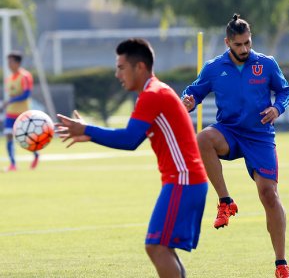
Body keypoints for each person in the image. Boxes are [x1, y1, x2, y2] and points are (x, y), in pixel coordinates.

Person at [56, 38, 208, 278]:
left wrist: (86, 129)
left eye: (121, 67)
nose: (117, 74)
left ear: (140, 67)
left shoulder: (153, 94)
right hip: (183, 180)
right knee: (161, 247)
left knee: (156, 246)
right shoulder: (155, 91)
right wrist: (90, 133)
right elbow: (133, 139)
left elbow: (128, 139)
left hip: (184, 179)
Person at [181, 14, 289, 278]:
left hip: (259, 136)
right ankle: (225, 201)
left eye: (247, 43)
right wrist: (186, 102)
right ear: (227, 42)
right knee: (202, 139)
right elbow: (193, 93)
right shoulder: (213, 67)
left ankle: (281, 264)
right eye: (239, 45)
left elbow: (285, 91)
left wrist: (277, 108)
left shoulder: (266, 64)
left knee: (269, 196)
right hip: (229, 131)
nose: (244, 49)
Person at [1, 51, 39, 171]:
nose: (8, 64)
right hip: (10, 113)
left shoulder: (25, 76)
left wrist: (11, 101)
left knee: (25, 139)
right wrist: (5, 104)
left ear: (17, 63)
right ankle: (13, 164)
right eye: (8, 61)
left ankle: (36, 154)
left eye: (11, 61)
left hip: (23, 113)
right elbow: (10, 96)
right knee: (8, 135)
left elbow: (26, 94)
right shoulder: (9, 79)